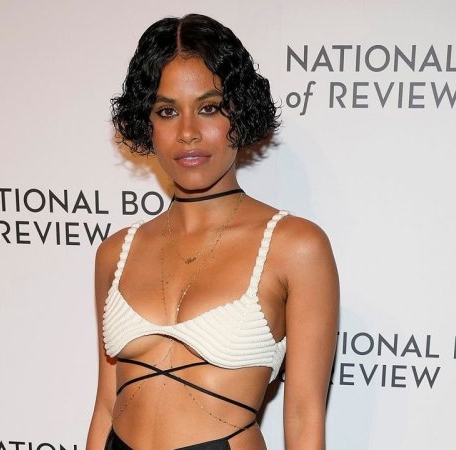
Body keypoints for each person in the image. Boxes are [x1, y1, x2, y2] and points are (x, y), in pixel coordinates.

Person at [87, 14, 339, 450]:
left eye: (209, 108)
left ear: (239, 112)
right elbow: (107, 404)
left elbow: (303, 416)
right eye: (167, 111)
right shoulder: (116, 252)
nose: (187, 132)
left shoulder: (294, 246)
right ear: (147, 123)